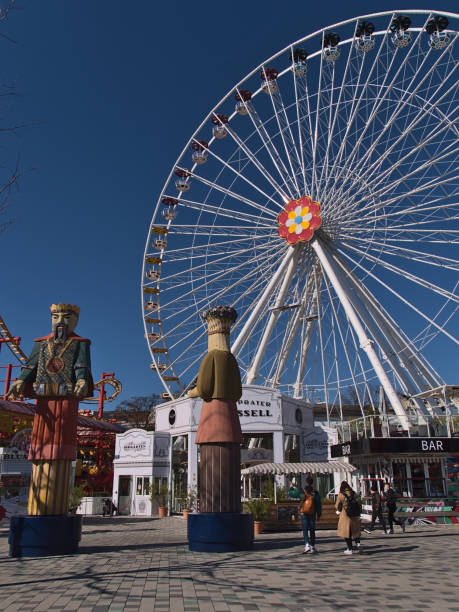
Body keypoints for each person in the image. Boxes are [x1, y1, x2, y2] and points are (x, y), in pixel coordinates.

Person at [335, 480, 362, 555]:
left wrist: (339, 510)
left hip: (345, 515)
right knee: (355, 531)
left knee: (347, 533)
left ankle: (350, 549)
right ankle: (358, 544)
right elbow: (359, 502)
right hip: (354, 515)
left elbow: (337, 505)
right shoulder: (353, 493)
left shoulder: (341, 495)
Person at [299, 476, 322, 554]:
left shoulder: (303, 491)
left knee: (305, 529)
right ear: (312, 483)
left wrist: (291, 488)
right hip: (312, 513)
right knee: (312, 529)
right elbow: (318, 504)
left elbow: (294, 494)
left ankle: (306, 544)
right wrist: (319, 514)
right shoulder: (315, 492)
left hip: (303, 512)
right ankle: (312, 546)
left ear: (306, 482)